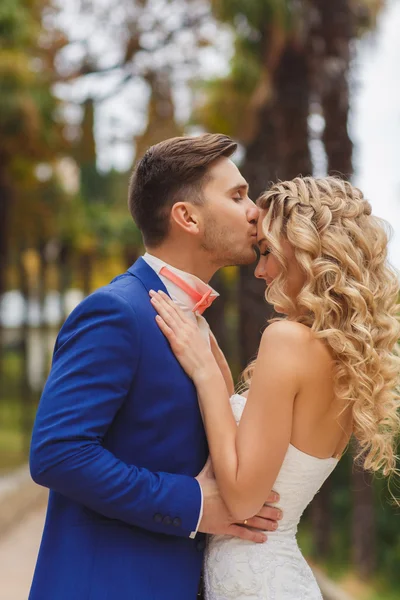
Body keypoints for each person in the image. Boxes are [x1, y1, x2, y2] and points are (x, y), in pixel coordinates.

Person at [28, 134, 282, 600]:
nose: (255, 211)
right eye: (237, 195)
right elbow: (58, 453)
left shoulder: (191, 324)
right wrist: (193, 505)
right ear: (186, 217)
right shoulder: (115, 312)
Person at [151, 176, 400, 600]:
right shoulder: (340, 355)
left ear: (308, 250)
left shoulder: (287, 340)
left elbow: (245, 498)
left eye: (267, 252)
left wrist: (206, 375)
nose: (260, 269)